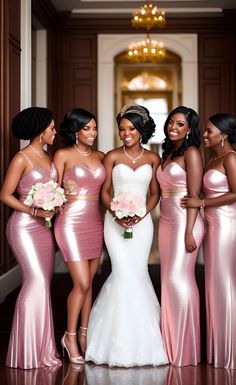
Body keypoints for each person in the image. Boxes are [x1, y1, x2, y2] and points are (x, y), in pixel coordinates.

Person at [85, 104, 168, 367]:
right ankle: (111, 344)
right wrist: (117, 213)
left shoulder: (154, 158)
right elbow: (105, 192)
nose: (125, 134)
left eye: (131, 129)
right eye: (121, 129)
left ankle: (145, 344)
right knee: (121, 272)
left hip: (142, 224)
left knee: (138, 272)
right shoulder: (111, 156)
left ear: (141, 130)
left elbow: (155, 193)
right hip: (115, 222)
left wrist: (142, 213)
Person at [0, 107, 61, 369]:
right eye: (51, 128)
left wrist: (55, 205)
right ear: (39, 130)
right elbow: (5, 195)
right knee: (35, 282)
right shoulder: (21, 158)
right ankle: (24, 353)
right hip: (23, 227)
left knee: (44, 285)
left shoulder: (48, 157)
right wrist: (34, 209)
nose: (55, 132)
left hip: (44, 228)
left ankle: (43, 351)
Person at [181, 113, 236, 369]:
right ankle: (218, 352)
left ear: (224, 135)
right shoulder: (213, 157)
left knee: (224, 284)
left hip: (227, 226)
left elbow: (235, 194)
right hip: (213, 225)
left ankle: (230, 354)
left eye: (209, 131)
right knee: (214, 285)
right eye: (204, 131)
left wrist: (200, 202)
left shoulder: (231, 158)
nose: (204, 135)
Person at [53, 108, 105, 364]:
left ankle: (85, 333)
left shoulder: (101, 156)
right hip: (70, 222)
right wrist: (52, 202)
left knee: (90, 283)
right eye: (87, 128)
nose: (93, 133)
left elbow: (106, 192)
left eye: (94, 128)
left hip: (95, 221)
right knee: (81, 283)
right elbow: (51, 189)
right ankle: (70, 336)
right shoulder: (62, 155)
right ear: (75, 131)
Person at [156, 106, 204, 366]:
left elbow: (195, 197)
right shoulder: (168, 151)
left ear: (189, 129)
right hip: (166, 222)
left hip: (186, 222)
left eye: (180, 124)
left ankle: (186, 349)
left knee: (179, 280)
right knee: (168, 281)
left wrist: (188, 231)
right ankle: (170, 345)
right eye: (171, 122)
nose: (173, 127)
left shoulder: (192, 153)